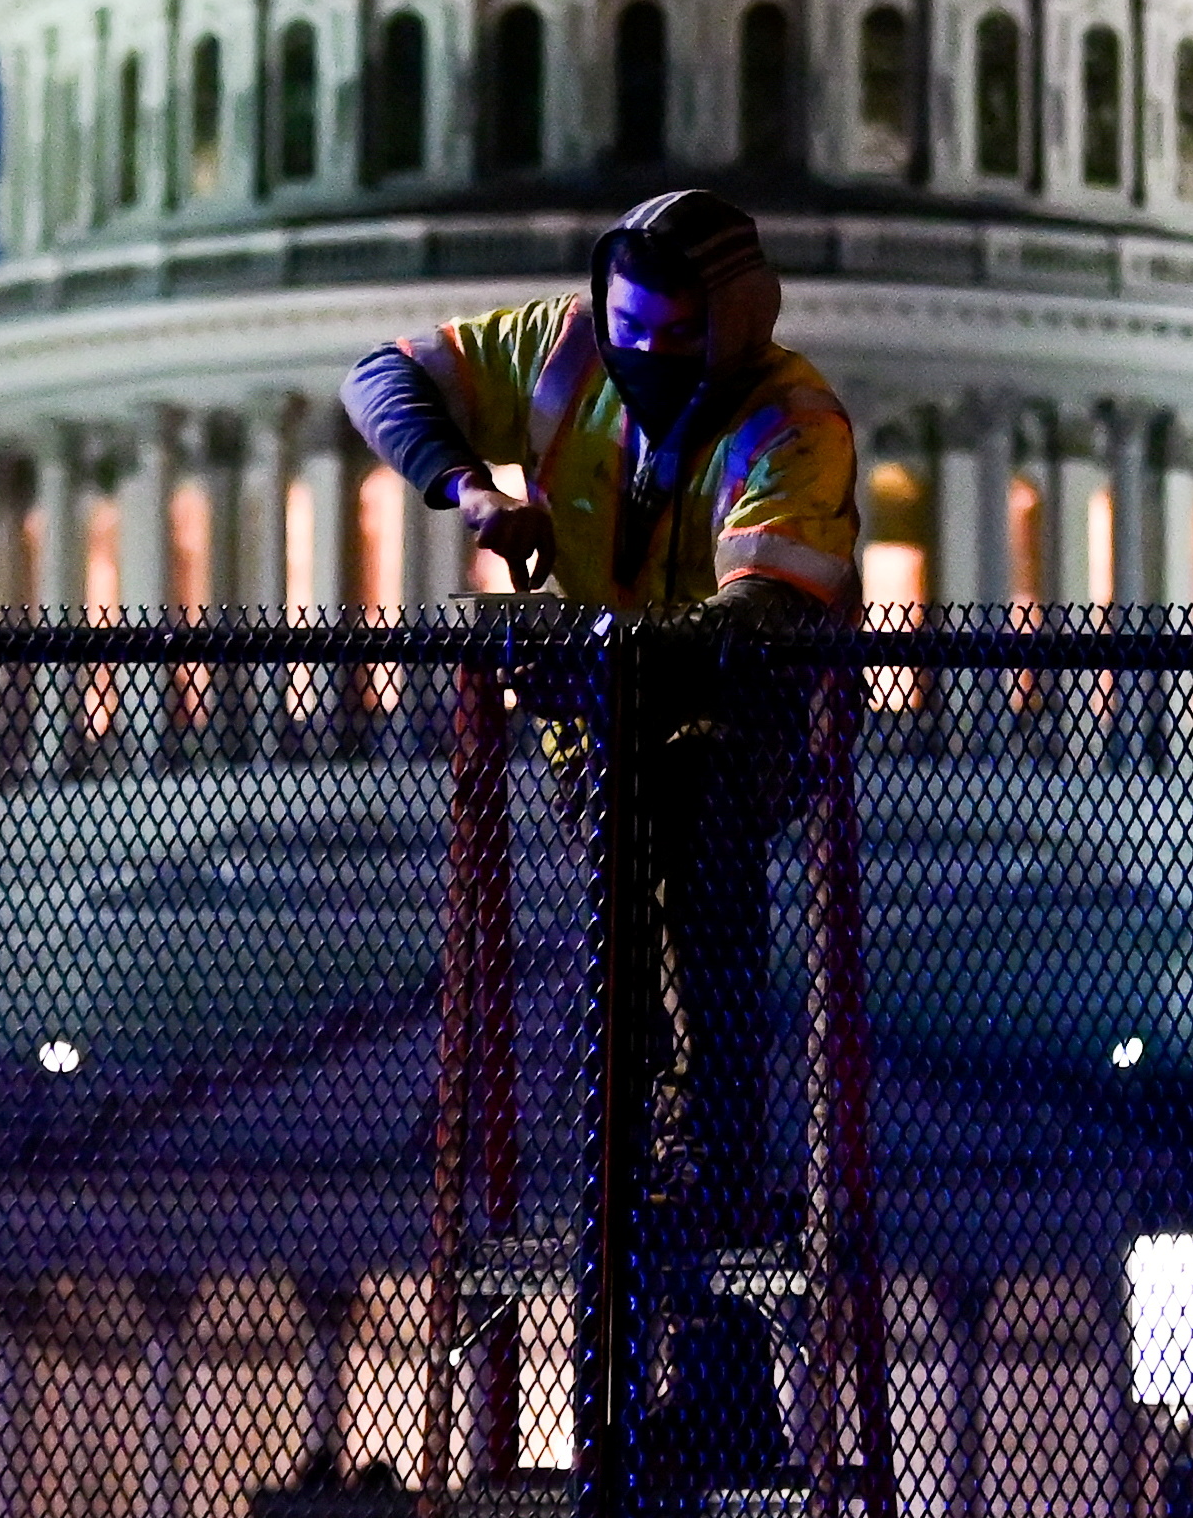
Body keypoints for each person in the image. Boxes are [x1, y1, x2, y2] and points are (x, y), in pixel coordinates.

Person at [347, 186, 860, 1476]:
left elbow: (762, 617)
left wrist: (603, 658)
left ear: (733, 328)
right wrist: (465, 488)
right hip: (607, 750)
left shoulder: (788, 420)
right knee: (620, 1041)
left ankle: (722, 1373)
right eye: (622, 323)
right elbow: (379, 378)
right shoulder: (567, 349)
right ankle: (636, 1350)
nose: (637, 356)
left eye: (669, 335)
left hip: (725, 754)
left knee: (705, 1031)